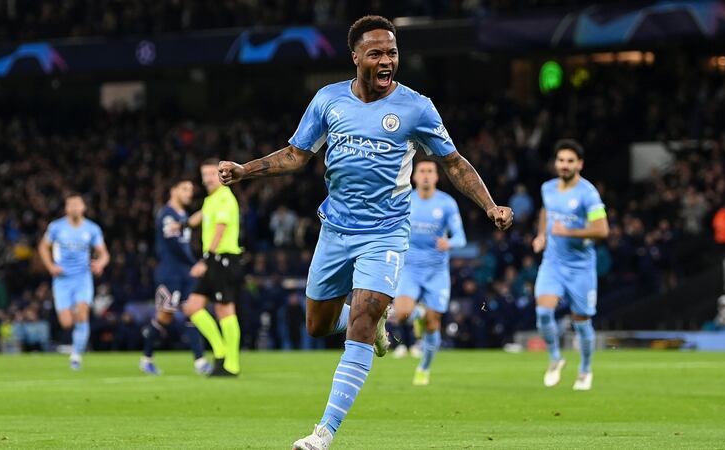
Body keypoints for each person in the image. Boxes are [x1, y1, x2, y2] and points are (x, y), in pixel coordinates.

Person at [217, 15, 513, 449]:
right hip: (335, 231)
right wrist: (245, 171)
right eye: (375, 53)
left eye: (392, 52)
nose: (386, 60)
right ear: (355, 57)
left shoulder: (417, 106)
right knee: (317, 326)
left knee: (365, 312)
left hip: (387, 232)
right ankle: (368, 325)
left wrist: (489, 205)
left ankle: (324, 433)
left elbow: (454, 163)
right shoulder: (328, 100)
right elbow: (297, 155)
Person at [532, 139, 609, 391]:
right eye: (561, 160)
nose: (564, 165)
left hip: (580, 267)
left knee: (581, 321)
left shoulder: (588, 194)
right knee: (543, 312)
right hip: (552, 263)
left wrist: (568, 231)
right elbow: (546, 212)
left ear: (580, 164)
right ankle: (555, 358)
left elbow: (602, 229)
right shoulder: (548, 188)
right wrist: (542, 235)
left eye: (570, 161)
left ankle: (585, 369)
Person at [392, 160, 467, 386]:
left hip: (436, 271)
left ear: (436, 177)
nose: (425, 175)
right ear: (414, 176)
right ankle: (419, 315)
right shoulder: (404, 200)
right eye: (422, 171)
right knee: (402, 312)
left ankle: (424, 367)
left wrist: (449, 243)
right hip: (410, 268)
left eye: (430, 172)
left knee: (434, 324)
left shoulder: (446, 203)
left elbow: (461, 238)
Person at [140, 179, 213, 375]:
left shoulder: (183, 215)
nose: (189, 193)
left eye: (191, 189)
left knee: (193, 312)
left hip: (185, 274)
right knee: (164, 316)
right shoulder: (166, 214)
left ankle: (200, 362)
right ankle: (146, 358)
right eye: (184, 189)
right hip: (170, 273)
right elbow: (173, 245)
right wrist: (195, 263)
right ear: (173, 191)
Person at [181, 159, 244, 377]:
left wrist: (205, 259)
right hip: (214, 260)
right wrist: (183, 224)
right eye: (204, 174)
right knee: (192, 307)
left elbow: (219, 229)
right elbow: (202, 215)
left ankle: (231, 364)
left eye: (212, 174)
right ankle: (220, 350)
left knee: (224, 309)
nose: (207, 178)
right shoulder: (212, 199)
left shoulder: (225, 197)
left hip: (223, 258)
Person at [38, 193, 110, 370]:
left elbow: (104, 253)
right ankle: (75, 344)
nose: (75, 208)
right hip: (62, 279)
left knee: (82, 313)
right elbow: (43, 247)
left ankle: (76, 356)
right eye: (71, 205)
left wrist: (100, 263)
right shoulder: (56, 227)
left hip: (82, 278)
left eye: (78, 205)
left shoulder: (92, 229)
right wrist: (50, 266)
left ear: (83, 207)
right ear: (66, 208)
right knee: (67, 322)